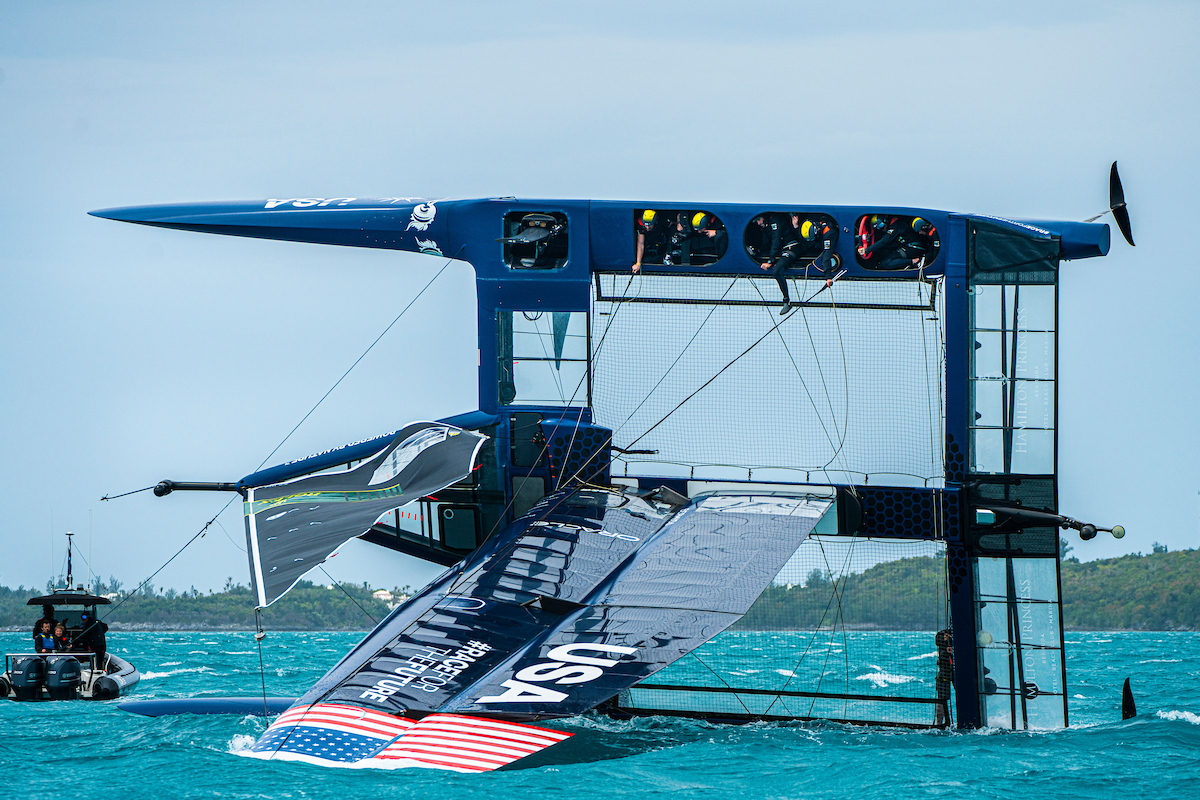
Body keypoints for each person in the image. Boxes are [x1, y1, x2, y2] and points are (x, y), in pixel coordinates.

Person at [935, 627, 954, 726]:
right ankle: (939, 723)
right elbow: (938, 641)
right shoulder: (942, 635)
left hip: (955, 671)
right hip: (944, 670)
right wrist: (945, 639)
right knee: (941, 699)